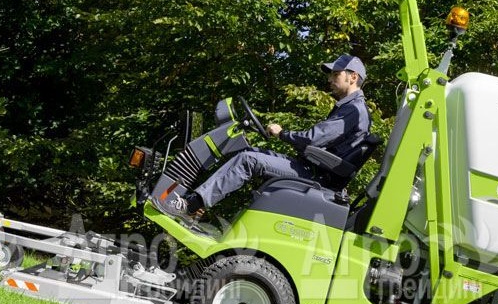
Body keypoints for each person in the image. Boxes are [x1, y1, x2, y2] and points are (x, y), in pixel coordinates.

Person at [152, 54, 371, 221]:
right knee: (250, 153)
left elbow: (314, 138)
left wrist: (282, 133)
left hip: (315, 175)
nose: (330, 79)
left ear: (353, 77)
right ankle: (199, 205)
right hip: (314, 168)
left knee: (248, 160)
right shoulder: (351, 108)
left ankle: (189, 207)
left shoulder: (354, 110)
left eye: (336, 74)